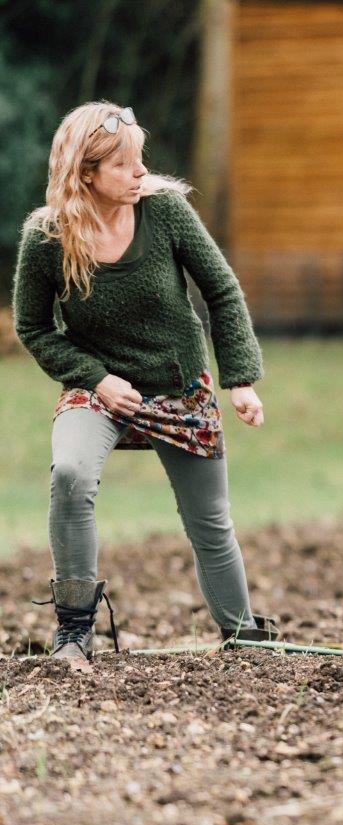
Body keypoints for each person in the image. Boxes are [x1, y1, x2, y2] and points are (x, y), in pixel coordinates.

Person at [12, 102, 275, 669]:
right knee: (70, 475)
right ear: (86, 173)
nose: (140, 173)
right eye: (124, 165)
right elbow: (32, 327)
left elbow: (223, 292)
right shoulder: (47, 238)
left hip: (179, 384)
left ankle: (243, 635)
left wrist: (241, 380)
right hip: (99, 385)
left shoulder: (166, 212)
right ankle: (74, 632)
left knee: (210, 521)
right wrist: (96, 379)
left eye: (141, 161)